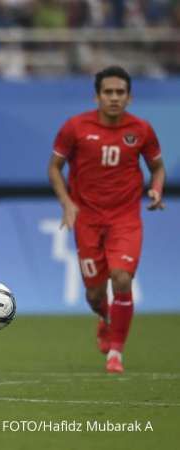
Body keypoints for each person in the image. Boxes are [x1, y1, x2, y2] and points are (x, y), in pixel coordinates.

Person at [48, 65, 165, 374]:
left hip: (125, 218)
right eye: (108, 92)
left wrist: (155, 189)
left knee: (122, 278)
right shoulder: (75, 127)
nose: (114, 98)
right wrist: (67, 202)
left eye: (120, 93)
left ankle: (116, 352)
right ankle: (104, 317)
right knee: (95, 294)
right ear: (97, 96)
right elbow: (54, 168)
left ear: (129, 97)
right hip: (87, 219)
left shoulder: (141, 130)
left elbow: (158, 168)